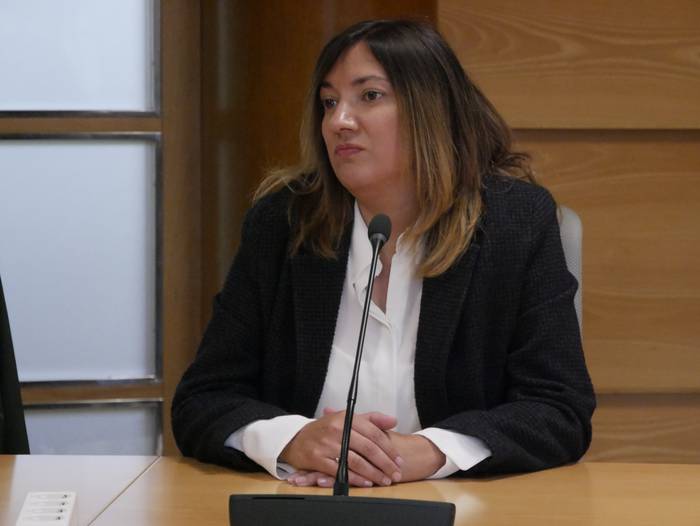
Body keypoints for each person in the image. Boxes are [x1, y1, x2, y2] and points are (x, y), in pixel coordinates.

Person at [172, 19, 595, 488]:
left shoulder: (513, 224)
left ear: (431, 108)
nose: (339, 121)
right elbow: (202, 400)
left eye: (369, 96)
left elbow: (559, 410)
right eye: (329, 102)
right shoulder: (284, 224)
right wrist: (293, 440)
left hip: (460, 509)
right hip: (304, 507)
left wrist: (429, 452)